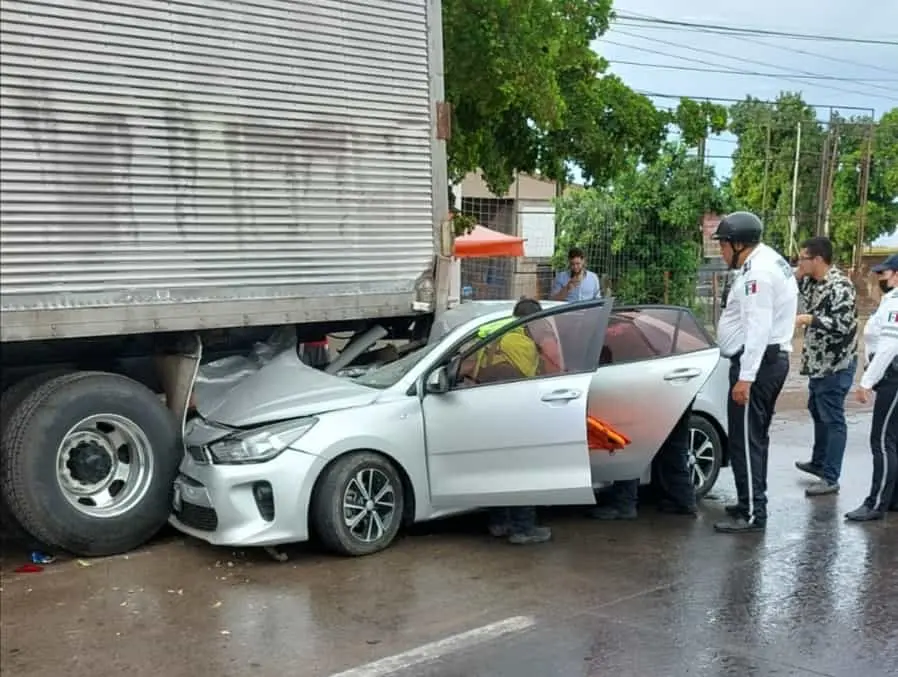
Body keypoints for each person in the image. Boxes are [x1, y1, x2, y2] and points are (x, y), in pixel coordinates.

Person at [713, 211, 798, 534]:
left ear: (738, 243)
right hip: (767, 362)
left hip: (759, 366)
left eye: (723, 244)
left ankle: (751, 512)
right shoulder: (768, 261)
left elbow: (758, 327)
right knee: (753, 439)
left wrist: (745, 376)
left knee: (745, 441)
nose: (720, 251)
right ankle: (749, 499)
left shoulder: (757, 274)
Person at [463, 297, 554, 544]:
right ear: (532, 320)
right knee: (523, 469)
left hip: (486, 408)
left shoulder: (494, 336)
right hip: (514, 409)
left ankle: (499, 522)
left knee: (499, 468)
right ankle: (523, 528)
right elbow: (537, 379)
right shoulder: (524, 344)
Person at [792, 236, 858, 496]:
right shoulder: (812, 282)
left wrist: (811, 319)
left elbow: (843, 326)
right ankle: (819, 463)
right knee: (817, 409)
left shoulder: (840, 286)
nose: (800, 263)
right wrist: (798, 273)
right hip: (818, 364)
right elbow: (794, 285)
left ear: (818, 259)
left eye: (804, 258)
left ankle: (831, 477)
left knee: (833, 419)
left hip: (836, 364)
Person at [846, 253, 898, 521]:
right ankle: (891, 499)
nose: (879, 278)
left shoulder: (895, 303)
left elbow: (889, 347)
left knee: (881, 440)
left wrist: (865, 383)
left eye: (884, 274)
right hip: (889, 377)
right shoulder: (890, 301)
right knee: (893, 441)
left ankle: (876, 503)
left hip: (893, 379)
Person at [588, 405, 698, 520]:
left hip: (651, 394)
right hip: (679, 391)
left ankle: (624, 502)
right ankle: (682, 499)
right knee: (673, 442)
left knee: (632, 438)